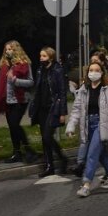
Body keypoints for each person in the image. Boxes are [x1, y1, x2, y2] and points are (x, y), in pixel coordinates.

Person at [66, 61, 108, 197]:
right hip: (88, 126)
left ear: (102, 73)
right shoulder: (83, 90)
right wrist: (71, 125)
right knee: (101, 154)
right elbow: (76, 110)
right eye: (91, 70)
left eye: (97, 70)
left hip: (102, 125)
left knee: (91, 154)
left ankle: (86, 184)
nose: (93, 73)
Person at [0, 40, 39, 164]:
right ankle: (16, 153)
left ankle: (29, 151)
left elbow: (31, 82)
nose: (8, 52)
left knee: (15, 125)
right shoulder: (5, 65)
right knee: (12, 128)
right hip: (7, 100)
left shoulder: (24, 64)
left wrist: (15, 80)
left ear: (17, 50)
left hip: (20, 99)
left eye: (11, 49)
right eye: (6, 49)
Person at [29, 46, 69, 177]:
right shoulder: (40, 70)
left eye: (44, 56)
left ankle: (62, 159)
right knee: (45, 139)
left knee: (47, 136)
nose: (41, 59)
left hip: (53, 108)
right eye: (40, 56)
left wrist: (63, 112)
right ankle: (50, 165)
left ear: (51, 57)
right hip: (41, 109)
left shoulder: (58, 70)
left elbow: (62, 92)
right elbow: (37, 90)